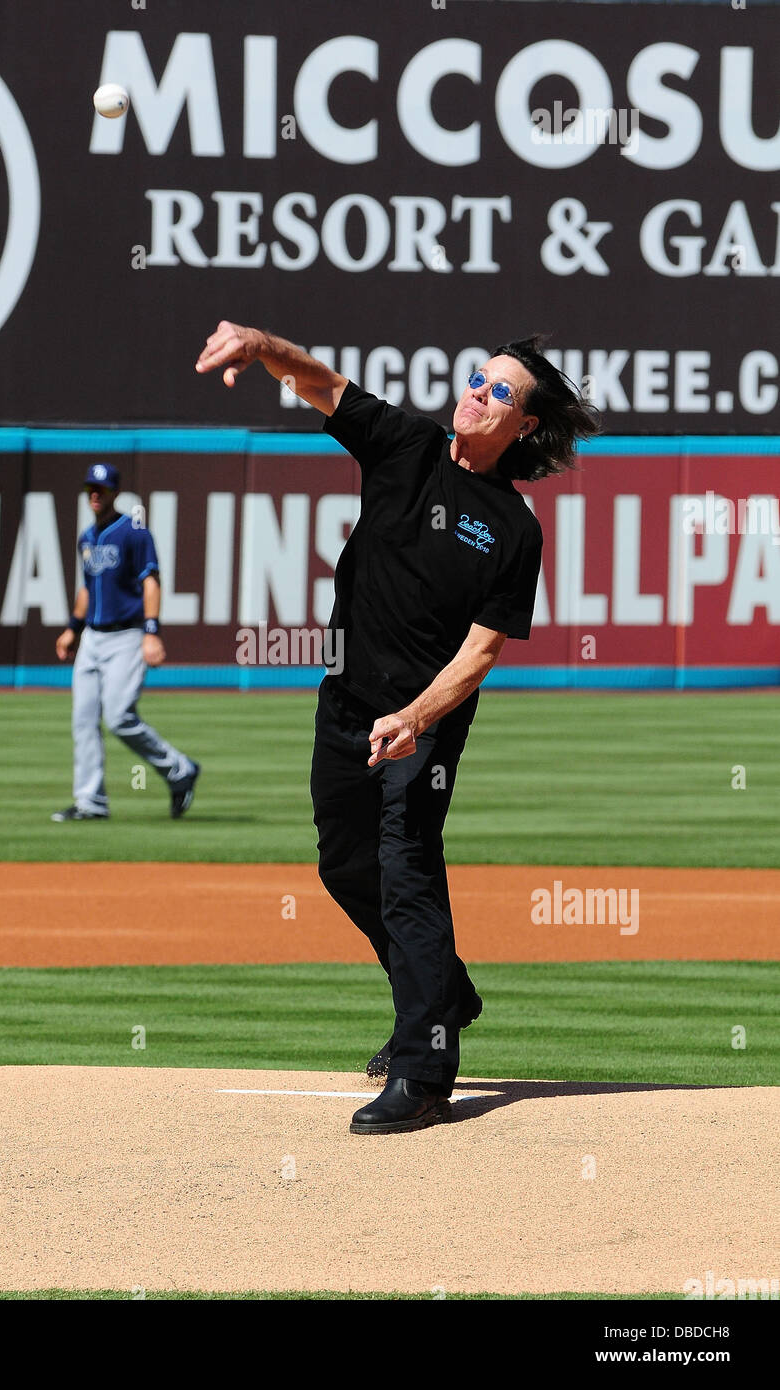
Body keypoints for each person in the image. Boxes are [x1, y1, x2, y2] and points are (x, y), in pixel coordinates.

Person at [195, 322, 601, 1134]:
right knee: (344, 865)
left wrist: (414, 719)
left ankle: (424, 1069)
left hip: (424, 730)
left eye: (498, 393)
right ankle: (442, 988)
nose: (477, 394)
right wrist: (257, 343)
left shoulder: (514, 530)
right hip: (343, 703)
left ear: (523, 426)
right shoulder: (406, 446)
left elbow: (481, 651)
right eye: (476, 379)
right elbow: (320, 383)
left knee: (408, 870)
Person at [52, 462, 200, 822]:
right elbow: (87, 589)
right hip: (92, 637)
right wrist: (72, 627)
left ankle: (178, 769)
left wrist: (152, 632)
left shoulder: (134, 532)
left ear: (115, 493)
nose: (95, 495)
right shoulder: (87, 537)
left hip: (127, 635)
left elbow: (151, 581)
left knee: (119, 717)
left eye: (101, 489)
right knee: (83, 721)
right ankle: (90, 802)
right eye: (90, 489)